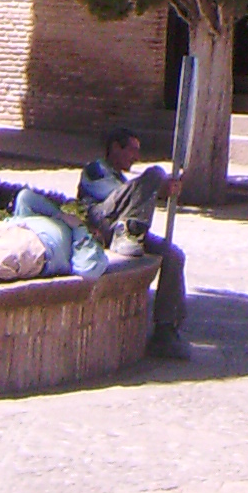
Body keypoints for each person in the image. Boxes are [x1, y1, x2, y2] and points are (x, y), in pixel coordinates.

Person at [78, 125, 191, 363]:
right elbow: (117, 198)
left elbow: (133, 196)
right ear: (115, 148)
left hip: (122, 224)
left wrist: (158, 191)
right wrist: (156, 187)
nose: (135, 157)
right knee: (154, 174)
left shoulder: (121, 177)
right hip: (102, 224)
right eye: (132, 150)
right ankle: (131, 232)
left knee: (173, 255)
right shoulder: (95, 170)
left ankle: (166, 328)